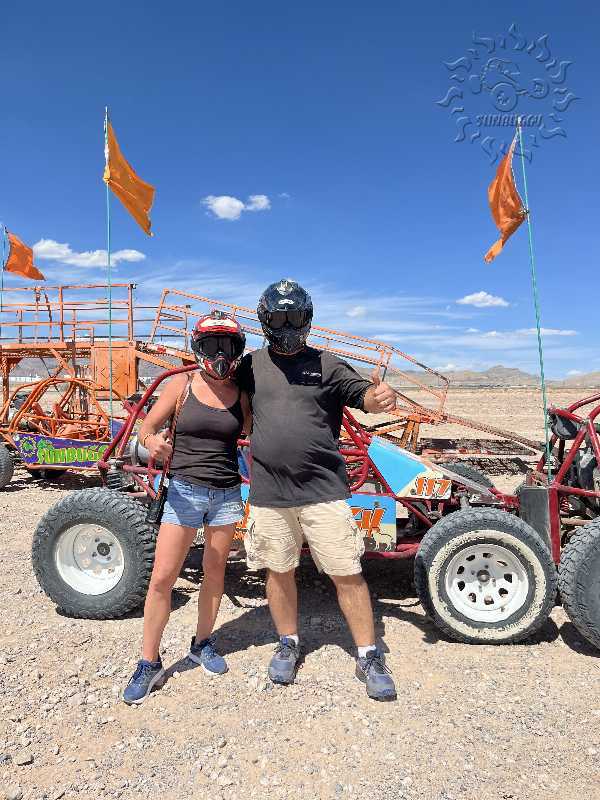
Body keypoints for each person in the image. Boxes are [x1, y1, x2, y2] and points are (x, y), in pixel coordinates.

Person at [236, 279, 398, 701]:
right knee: (278, 571)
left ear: (307, 319)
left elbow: (364, 396)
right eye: (278, 318)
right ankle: (287, 642)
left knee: (347, 573)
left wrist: (379, 397)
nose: (287, 326)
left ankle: (368, 655)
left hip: (323, 490)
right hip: (270, 493)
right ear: (265, 320)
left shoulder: (328, 364)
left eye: (294, 317)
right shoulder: (250, 366)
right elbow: (220, 396)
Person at [123, 310, 251, 705]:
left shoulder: (242, 395)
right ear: (199, 347)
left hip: (226, 495)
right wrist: (153, 443)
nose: (219, 353)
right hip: (184, 492)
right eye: (212, 345)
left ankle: (202, 643)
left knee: (215, 573)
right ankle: (149, 662)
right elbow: (145, 428)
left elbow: (253, 432)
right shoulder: (182, 384)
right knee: (163, 577)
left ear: (237, 349)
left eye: (227, 345)